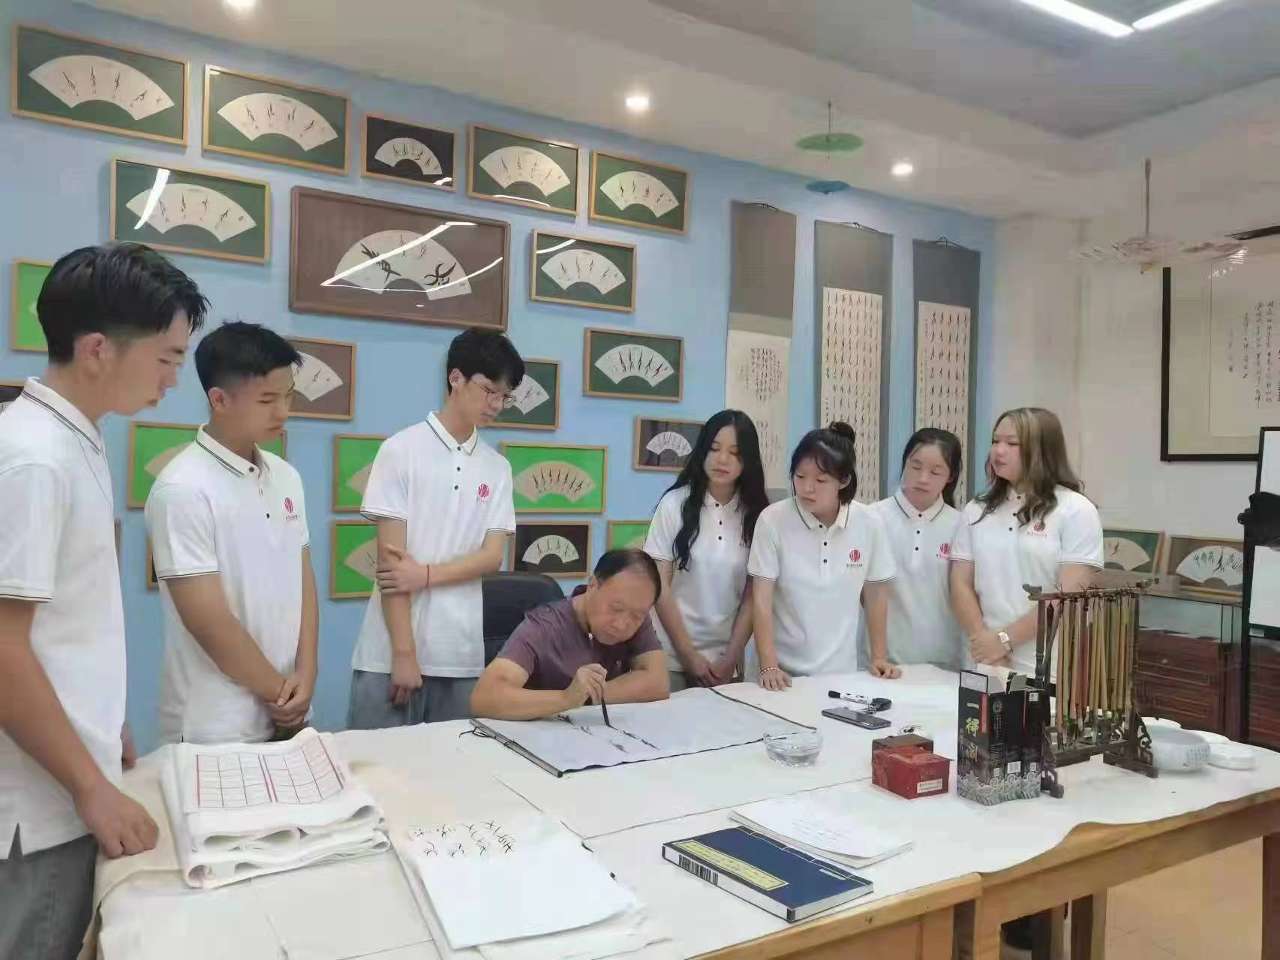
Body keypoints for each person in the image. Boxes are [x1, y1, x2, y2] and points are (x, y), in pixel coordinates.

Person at [0, 243, 207, 960]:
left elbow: (65, 620)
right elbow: (3, 650)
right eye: (167, 358)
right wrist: (90, 786)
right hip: (36, 805)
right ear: (96, 350)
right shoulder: (34, 457)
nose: (173, 379)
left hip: (66, 773)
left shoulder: (74, 439)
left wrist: (104, 717)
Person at [146, 322, 318, 745]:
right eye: (267, 400)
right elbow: (208, 622)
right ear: (219, 400)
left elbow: (303, 582)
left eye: (288, 396)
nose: (283, 412)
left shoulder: (287, 476)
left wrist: (307, 672)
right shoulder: (182, 488)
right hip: (213, 723)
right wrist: (280, 695)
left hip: (288, 710)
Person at [348, 328, 524, 727]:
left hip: (459, 656)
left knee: (455, 763)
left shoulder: (497, 468)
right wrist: (404, 654)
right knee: (376, 764)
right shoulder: (400, 450)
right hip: (389, 654)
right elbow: (393, 567)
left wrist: (425, 575)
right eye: (489, 390)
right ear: (456, 378)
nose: (496, 405)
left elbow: (491, 558)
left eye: (505, 396)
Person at [949, 406, 1103, 678]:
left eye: (1012, 443)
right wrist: (985, 643)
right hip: (984, 657)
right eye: (995, 441)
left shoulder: (1076, 510)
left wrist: (1004, 640)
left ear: (1042, 450)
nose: (998, 451)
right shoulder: (976, 510)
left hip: (1045, 665)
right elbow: (960, 582)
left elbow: (1066, 596)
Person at [749, 422, 898, 690]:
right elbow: (761, 599)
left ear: (844, 480)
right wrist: (769, 665)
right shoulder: (772, 520)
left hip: (840, 673)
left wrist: (879, 657)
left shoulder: (869, 523)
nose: (807, 488)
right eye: (800, 476)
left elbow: (876, 595)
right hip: (780, 675)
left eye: (820, 480)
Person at [644, 410, 768, 690]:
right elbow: (659, 587)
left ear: (748, 460)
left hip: (725, 665)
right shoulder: (674, 504)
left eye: (734, 453)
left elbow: (753, 596)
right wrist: (688, 656)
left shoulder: (758, 515)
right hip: (670, 658)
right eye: (714, 448)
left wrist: (731, 657)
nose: (722, 459)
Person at [470, 550, 669, 720]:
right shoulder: (543, 627)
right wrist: (566, 698)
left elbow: (657, 682)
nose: (622, 624)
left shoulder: (634, 614)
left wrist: (590, 694)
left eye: (637, 615)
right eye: (615, 608)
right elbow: (485, 698)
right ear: (593, 585)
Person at [865, 428, 965, 669]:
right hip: (881, 663)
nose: (923, 478)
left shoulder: (961, 525)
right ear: (904, 464)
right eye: (915, 466)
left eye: (935, 472)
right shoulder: (872, 518)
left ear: (950, 476)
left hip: (943, 664)